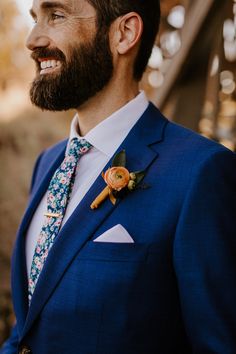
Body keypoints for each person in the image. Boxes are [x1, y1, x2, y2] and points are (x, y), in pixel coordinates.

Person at [1, 0, 236, 353]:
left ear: (124, 33)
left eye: (56, 15)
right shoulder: (48, 163)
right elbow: (30, 325)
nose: (32, 39)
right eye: (35, 19)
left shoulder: (200, 172)